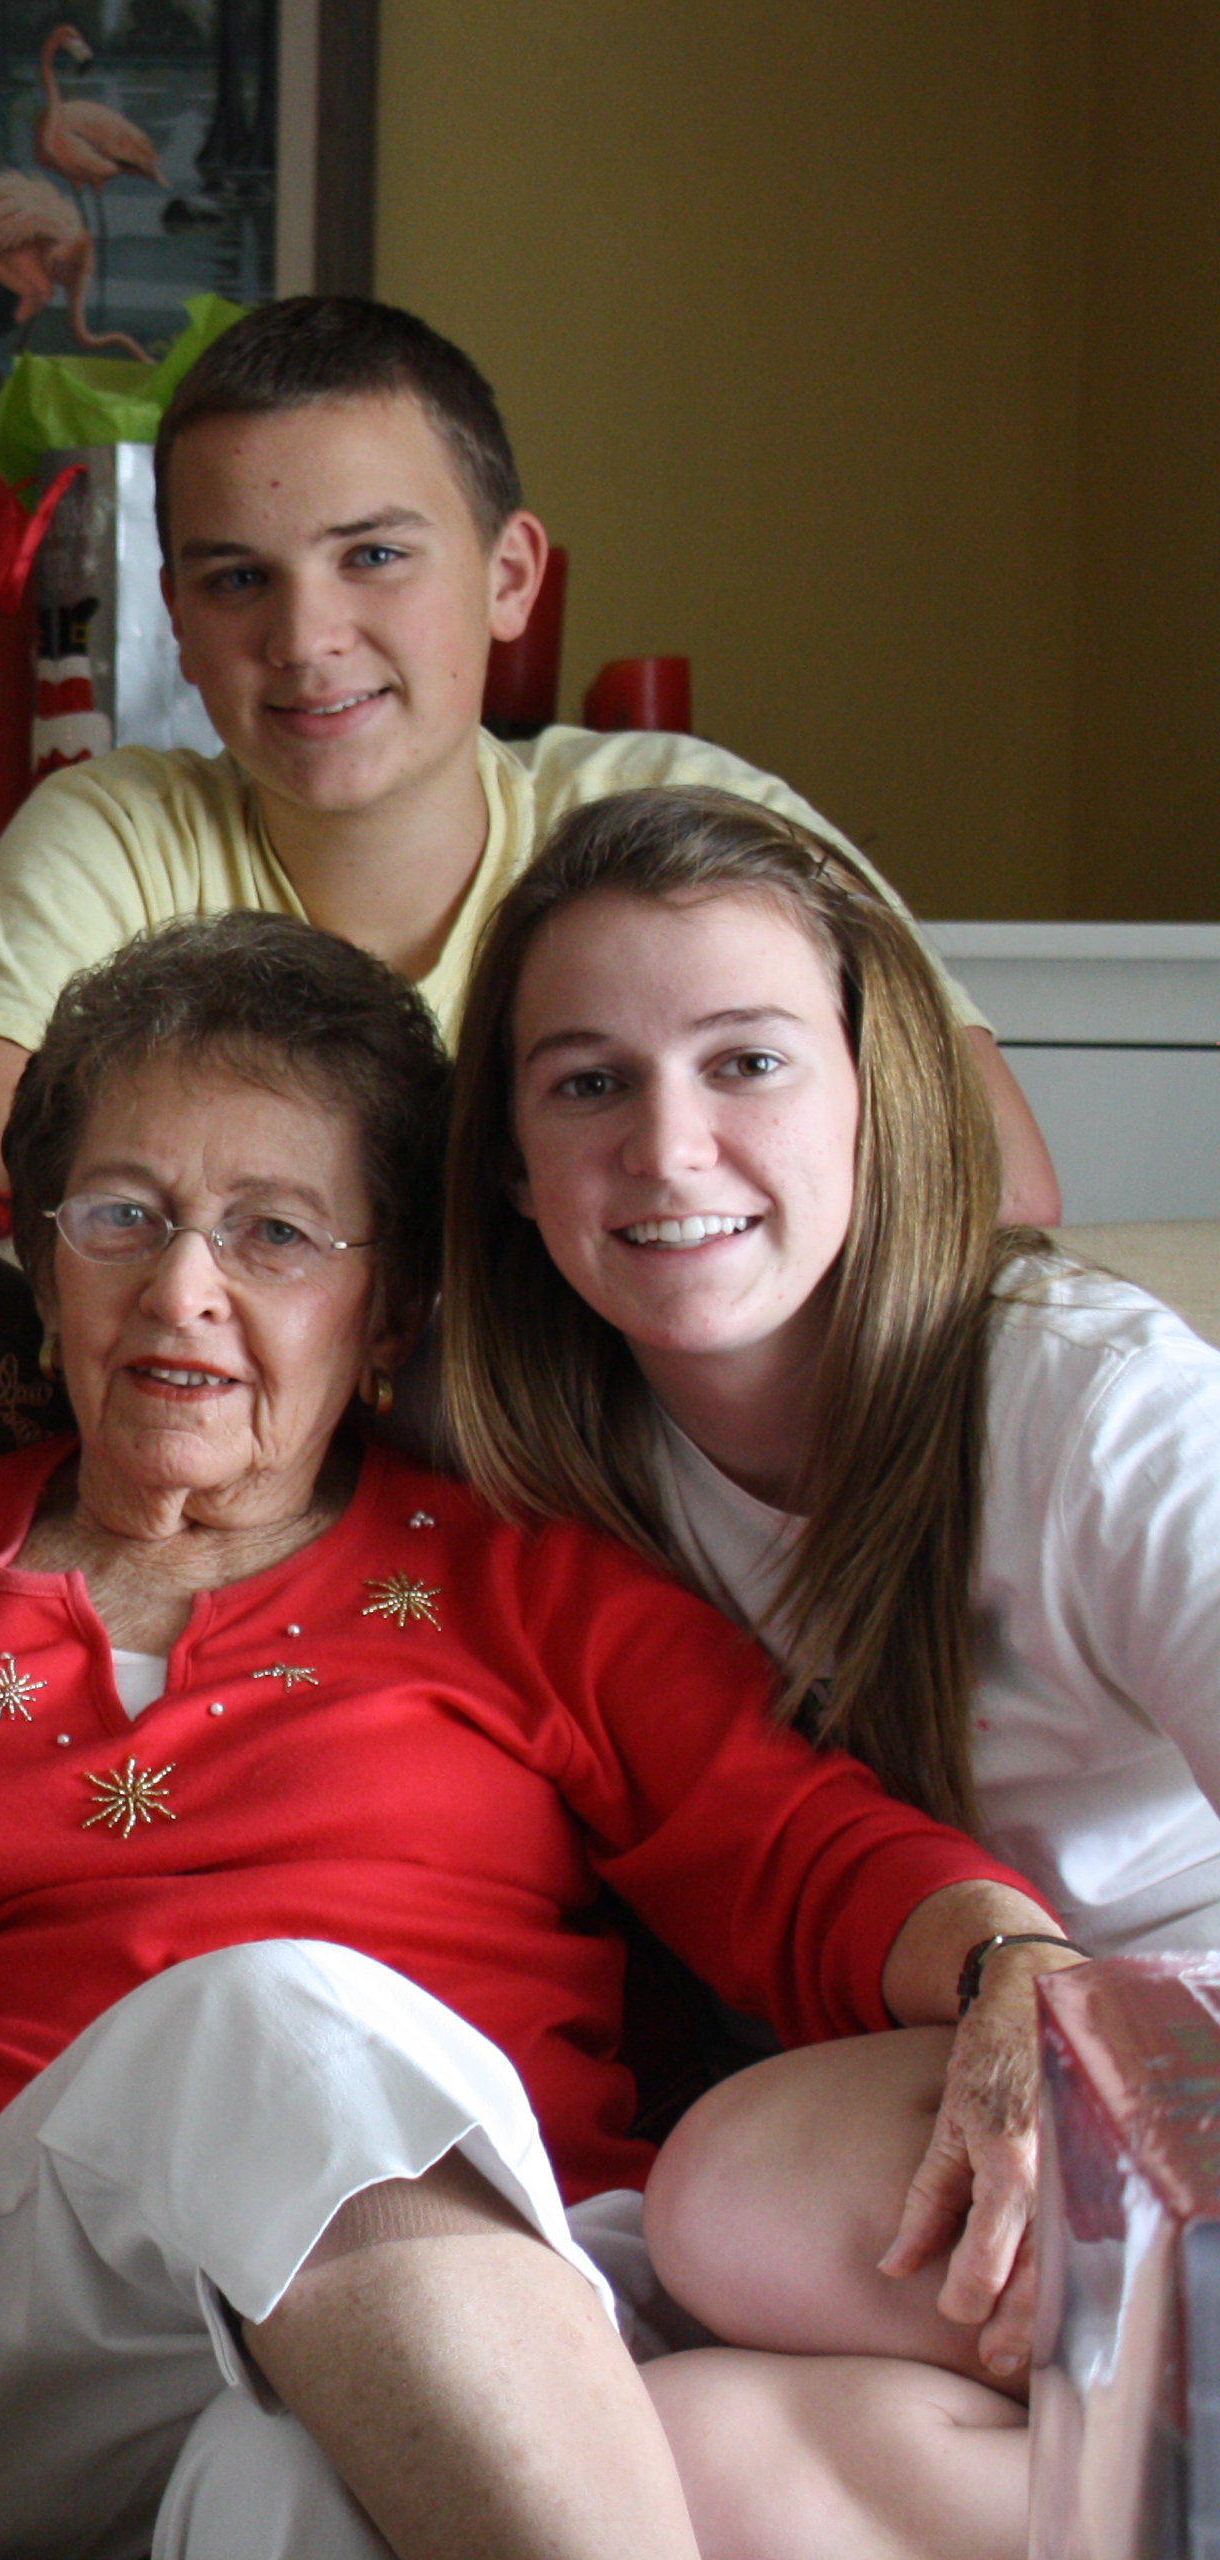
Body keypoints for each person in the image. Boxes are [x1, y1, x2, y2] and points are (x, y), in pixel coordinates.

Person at [0, 912, 1063, 2560]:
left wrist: (1006, 1959)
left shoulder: (529, 1587)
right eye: (122, 1215)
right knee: (271, 2027)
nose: (182, 1287)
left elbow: (803, 1850)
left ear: (391, 1315)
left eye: (276, 1233)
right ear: (43, 1256)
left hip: (492, 2307)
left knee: (302, 2485)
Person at [439, 782, 1220, 2523]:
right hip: (929, 2105)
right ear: (506, 1162)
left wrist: (1111, 2121)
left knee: (740, 2193)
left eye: (746, 1063)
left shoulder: (1095, 1406)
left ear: (878, 1096)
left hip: (1177, 2039)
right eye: (587, 1083)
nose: (666, 1148)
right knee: (681, 2451)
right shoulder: (535, 1463)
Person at [0, 292, 1058, 1239]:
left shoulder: (687, 816)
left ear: (510, 579)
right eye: (238, 578)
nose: (305, 638)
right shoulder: (115, 831)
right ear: (180, 621)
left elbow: (1001, 1183)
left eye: (373, 556)